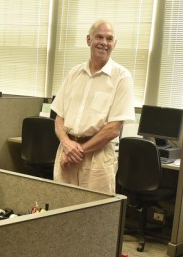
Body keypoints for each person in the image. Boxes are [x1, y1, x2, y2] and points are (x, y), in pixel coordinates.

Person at [50, 20, 135, 194]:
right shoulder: (74, 73)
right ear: (89, 40)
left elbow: (113, 129)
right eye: (99, 37)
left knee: (95, 215)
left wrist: (77, 151)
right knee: (61, 210)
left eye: (109, 39)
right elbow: (59, 117)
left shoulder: (121, 77)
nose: (104, 43)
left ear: (114, 44)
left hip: (98, 157)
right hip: (66, 151)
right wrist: (66, 144)